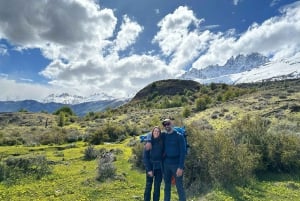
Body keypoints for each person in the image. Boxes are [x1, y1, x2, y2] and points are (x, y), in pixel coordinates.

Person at [162, 119, 186, 201]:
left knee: (179, 186)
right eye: (164, 125)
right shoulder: (165, 136)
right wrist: (148, 141)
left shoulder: (179, 136)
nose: (166, 126)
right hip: (166, 164)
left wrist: (181, 167)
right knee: (167, 186)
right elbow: (154, 134)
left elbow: (183, 152)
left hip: (176, 165)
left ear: (172, 124)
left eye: (168, 124)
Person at [143, 126, 164, 201]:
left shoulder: (162, 141)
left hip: (159, 168)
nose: (156, 132)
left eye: (158, 131)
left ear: (160, 133)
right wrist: (149, 170)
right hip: (150, 167)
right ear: (152, 132)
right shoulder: (148, 143)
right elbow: (145, 157)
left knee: (157, 187)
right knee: (148, 186)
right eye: (155, 131)